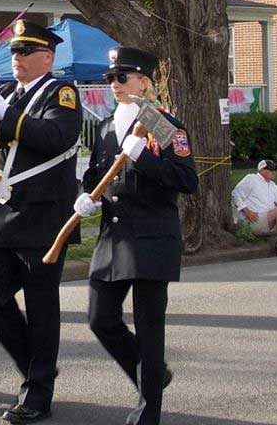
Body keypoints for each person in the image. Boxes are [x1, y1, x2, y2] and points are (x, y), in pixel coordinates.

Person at [0, 19, 83, 423]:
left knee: (41, 306)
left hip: (42, 214)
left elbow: (54, 138)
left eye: (25, 52)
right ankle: (36, 365)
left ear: (47, 57)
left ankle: (37, 391)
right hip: (1, 214)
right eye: (13, 52)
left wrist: (7, 116)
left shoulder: (61, 93)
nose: (16, 58)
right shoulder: (6, 92)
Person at [75, 47, 198, 425]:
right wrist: (84, 196)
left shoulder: (160, 123)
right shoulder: (109, 125)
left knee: (148, 328)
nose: (115, 84)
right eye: (111, 78)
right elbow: (97, 175)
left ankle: (149, 409)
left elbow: (186, 180)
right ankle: (153, 375)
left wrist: (144, 158)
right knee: (101, 319)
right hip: (114, 238)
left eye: (122, 77)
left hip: (151, 237)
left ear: (144, 81)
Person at [232, 159, 277, 235]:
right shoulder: (251, 179)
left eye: (275, 170)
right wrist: (247, 211)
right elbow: (235, 194)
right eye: (272, 169)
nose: (274, 172)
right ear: (261, 170)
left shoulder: (272, 185)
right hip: (252, 220)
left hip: (266, 221)